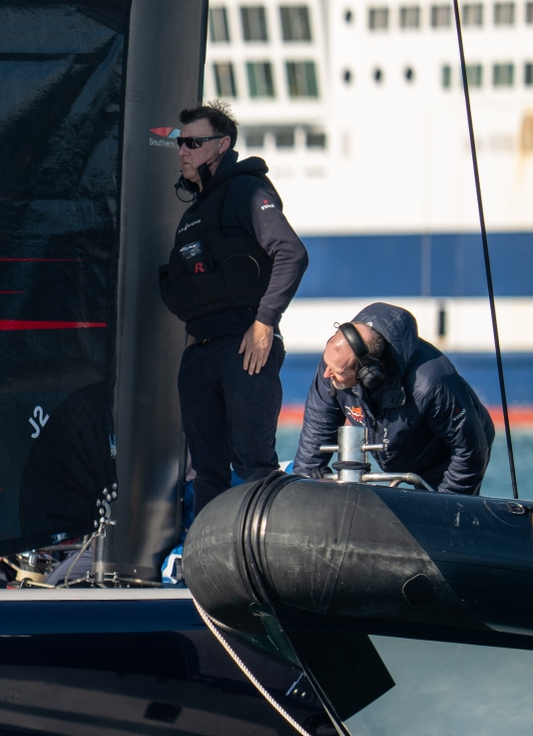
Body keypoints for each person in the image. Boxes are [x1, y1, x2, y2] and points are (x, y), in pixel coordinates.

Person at [158, 102, 307, 518]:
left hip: (245, 346)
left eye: (193, 142)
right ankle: (205, 567)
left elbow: (292, 253)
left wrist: (264, 323)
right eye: (179, 143)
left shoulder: (248, 190)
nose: (183, 150)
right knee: (205, 472)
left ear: (222, 145)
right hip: (201, 353)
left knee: (252, 462)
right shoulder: (192, 214)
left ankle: (266, 561)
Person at [293, 303, 494, 494]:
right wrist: (305, 480)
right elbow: (319, 422)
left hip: (442, 457)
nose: (326, 375)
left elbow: (470, 451)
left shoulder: (433, 384)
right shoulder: (335, 362)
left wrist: (447, 506)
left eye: (335, 371)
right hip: (397, 449)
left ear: (368, 373)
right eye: (327, 365)